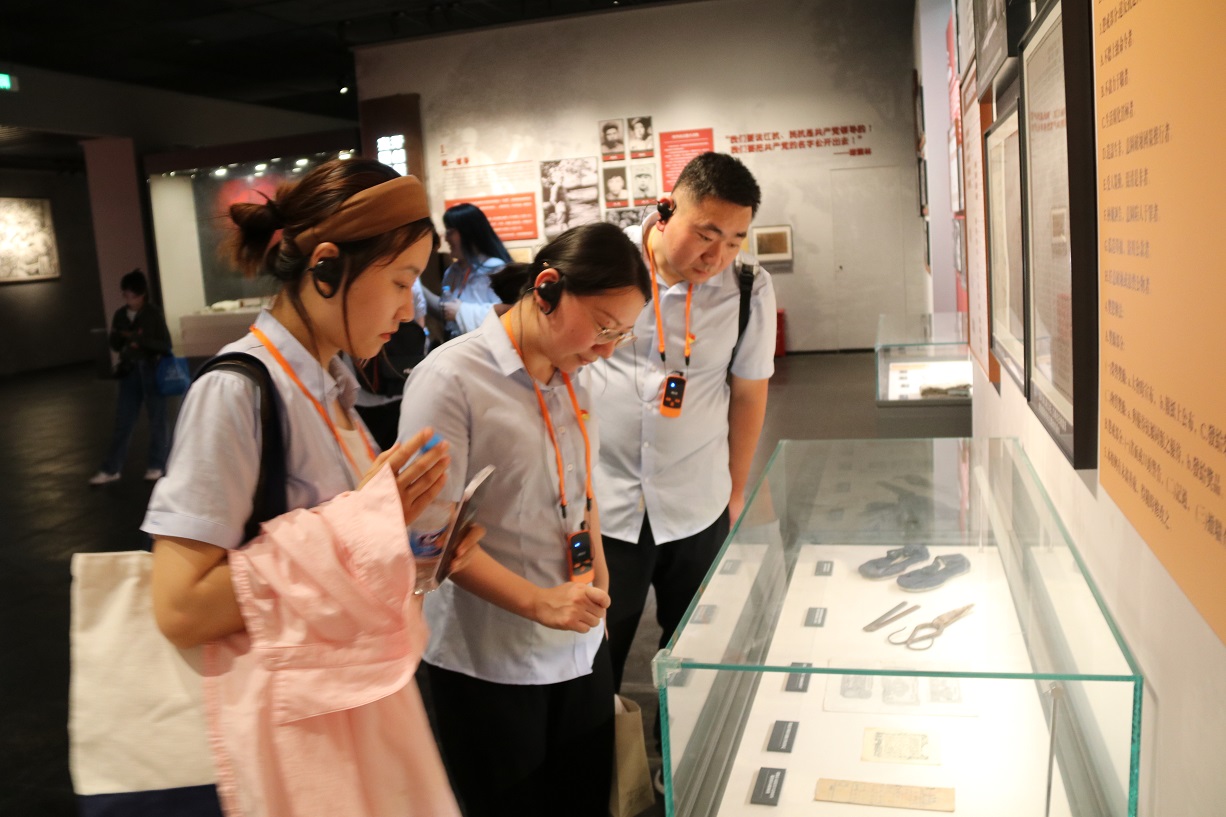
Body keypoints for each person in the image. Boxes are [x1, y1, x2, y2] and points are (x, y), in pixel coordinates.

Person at [144, 159, 481, 817]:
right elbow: (179, 606)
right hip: (295, 745)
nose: (407, 308)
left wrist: (417, 556)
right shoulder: (237, 391)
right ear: (326, 267)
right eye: (400, 281)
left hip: (349, 718)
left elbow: (334, 567)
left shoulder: (331, 390)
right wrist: (361, 525)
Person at [397, 221, 651, 817]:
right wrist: (539, 604)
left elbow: (580, 493)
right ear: (547, 289)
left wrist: (599, 583)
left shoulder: (573, 373)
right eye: (604, 327)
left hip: (579, 646)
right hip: (491, 662)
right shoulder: (450, 379)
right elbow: (429, 538)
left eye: (623, 335)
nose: (608, 349)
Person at [590, 152, 777, 744]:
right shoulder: (605, 264)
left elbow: (748, 394)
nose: (716, 256)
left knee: (696, 653)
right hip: (605, 506)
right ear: (667, 209)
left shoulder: (748, 289)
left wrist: (736, 492)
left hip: (697, 503)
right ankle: (603, 774)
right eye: (706, 234)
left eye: (735, 240)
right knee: (594, 658)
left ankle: (682, 767)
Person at [89, 268, 173, 485]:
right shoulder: (121, 314)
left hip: (151, 369)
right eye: (125, 294)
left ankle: (157, 464)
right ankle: (111, 468)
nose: (128, 298)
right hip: (130, 370)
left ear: (142, 294)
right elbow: (115, 344)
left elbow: (165, 345)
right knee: (123, 421)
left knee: (158, 420)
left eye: (131, 294)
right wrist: (120, 337)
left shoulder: (152, 314)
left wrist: (138, 339)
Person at [422, 202, 509, 341]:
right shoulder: (452, 272)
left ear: (468, 233)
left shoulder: (496, 269)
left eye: (450, 231)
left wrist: (461, 312)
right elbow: (446, 310)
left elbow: (506, 313)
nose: (446, 238)